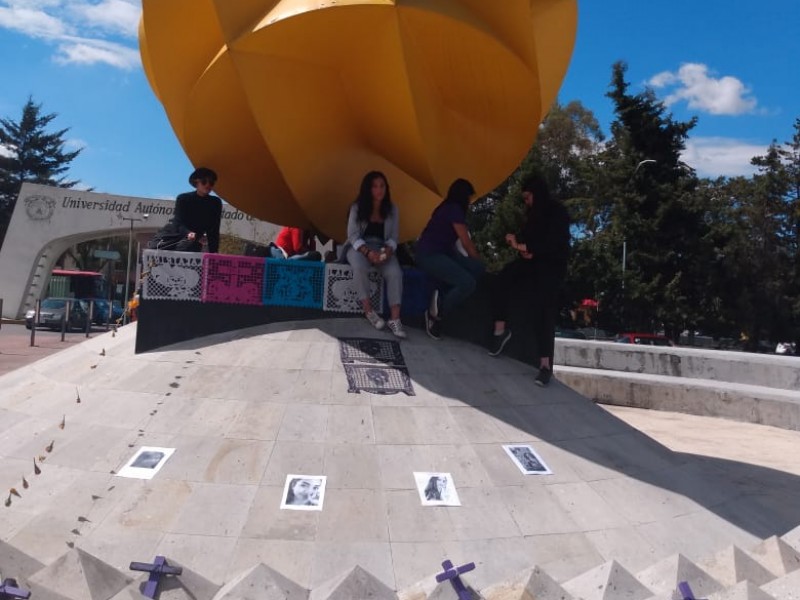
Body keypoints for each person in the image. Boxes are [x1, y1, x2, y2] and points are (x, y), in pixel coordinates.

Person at [488, 175, 570, 387]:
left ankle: (544, 366)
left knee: (542, 309)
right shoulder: (533, 215)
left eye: (527, 197)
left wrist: (520, 246)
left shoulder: (557, 212)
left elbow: (550, 244)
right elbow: (529, 244)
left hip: (551, 268)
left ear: (537, 194)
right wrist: (523, 248)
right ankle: (500, 330)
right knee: (504, 277)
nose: (526, 202)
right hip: (533, 263)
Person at [415, 178, 484, 340]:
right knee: (468, 282)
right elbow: (466, 243)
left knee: (477, 270)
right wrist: (479, 260)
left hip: (445, 252)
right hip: (429, 255)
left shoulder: (445, 207)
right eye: (469, 198)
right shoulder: (454, 210)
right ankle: (436, 312)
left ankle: (443, 293)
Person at [345, 171, 406, 338]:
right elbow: (352, 235)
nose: (379, 190)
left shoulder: (392, 209)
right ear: (368, 189)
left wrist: (387, 251)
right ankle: (368, 310)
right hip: (359, 247)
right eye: (375, 186)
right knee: (359, 267)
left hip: (382, 247)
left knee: (395, 272)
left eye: (382, 186)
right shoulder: (357, 208)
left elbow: (394, 237)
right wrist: (367, 252)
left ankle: (395, 318)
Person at [149, 167, 222, 252]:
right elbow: (178, 222)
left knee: (190, 249)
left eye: (211, 183)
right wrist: (188, 232)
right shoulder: (184, 199)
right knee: (156, 251)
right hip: (172, 236)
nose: (208, 185)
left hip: (191, 242)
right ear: (196, 182)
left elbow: (214, 231)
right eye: (204, 182)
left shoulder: (215, 203)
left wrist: (214, 253)